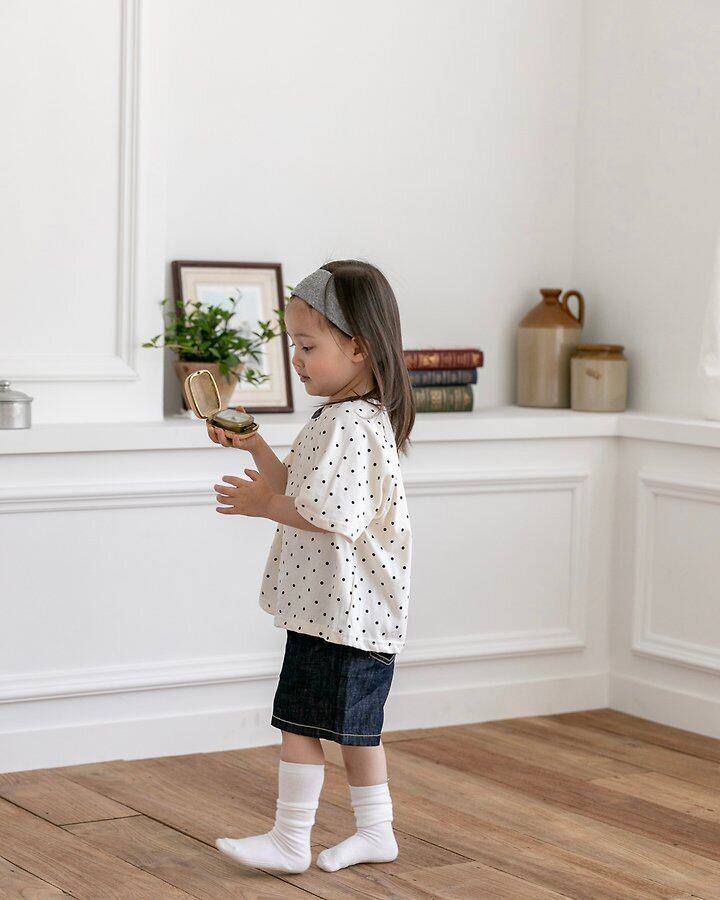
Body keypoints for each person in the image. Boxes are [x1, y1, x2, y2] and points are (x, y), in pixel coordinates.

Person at [206, 260, 414, 875]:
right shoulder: (346, 416)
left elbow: (328, 514)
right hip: (346, 613)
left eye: (307, 346)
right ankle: (376, 832)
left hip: (340, 614)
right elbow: (301, 489)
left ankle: (289, 840)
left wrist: (261, 506)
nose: (296, 360)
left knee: (300, 724)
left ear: (358, 348)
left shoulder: (348, 422)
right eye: (293, 346)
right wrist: (255, 446)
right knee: (357, 732)